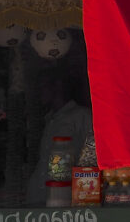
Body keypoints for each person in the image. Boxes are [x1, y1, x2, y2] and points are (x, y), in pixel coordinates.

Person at [25, 67, 93, 206]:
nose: (38, 92)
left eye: (42, 87)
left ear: (57, 87)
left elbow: (92, 157)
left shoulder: (81, 116)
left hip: (67, 200)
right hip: (39, 197)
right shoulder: (50, 119)